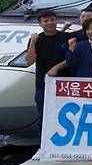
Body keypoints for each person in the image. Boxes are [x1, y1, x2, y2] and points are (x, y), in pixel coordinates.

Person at [25, 10, 71, 139]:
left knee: (65, 115)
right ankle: (43, 146)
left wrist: (57, 67)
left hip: (64, 85)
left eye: (52, 20)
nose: (50, 23)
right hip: (43, 85)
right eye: (46, 21)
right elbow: (29, 61)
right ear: (40, 23)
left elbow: (72, 59)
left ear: (56, 20)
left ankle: (64, 144)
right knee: (44, 116)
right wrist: (33, 42)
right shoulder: (36, 39)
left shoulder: (66, 37)